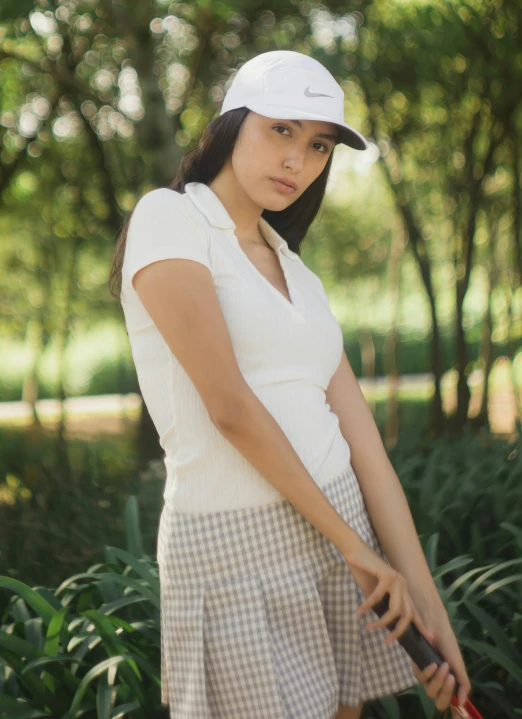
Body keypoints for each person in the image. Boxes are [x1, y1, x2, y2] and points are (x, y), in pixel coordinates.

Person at [110, 50, 472, 718]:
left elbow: (364, 444)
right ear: (230, 125)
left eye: (319, 145)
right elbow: (230, 408)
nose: (298, 161)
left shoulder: (296, 273)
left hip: (341, 532)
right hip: (239, 549)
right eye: (282, 130)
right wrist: (358, 549)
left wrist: (426, 600)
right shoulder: (170, 220)